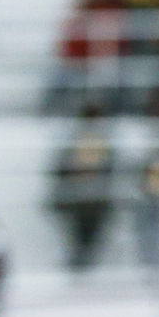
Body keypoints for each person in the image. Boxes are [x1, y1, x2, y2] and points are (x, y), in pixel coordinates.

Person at [51, 103, 116, 270]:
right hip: (78, 196)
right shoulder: (74, 139)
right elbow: (62, 168)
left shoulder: (106, 140)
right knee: (79, 232)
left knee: (91, 233)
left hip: (97, 197)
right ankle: (79, 261)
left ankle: (85, 261)